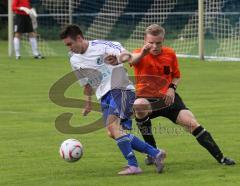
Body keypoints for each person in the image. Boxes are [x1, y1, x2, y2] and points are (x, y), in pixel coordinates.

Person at [59, 24, 167, 175]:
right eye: (67, 46)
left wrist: (139, 54)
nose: (69, 48)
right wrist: (88, 104)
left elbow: (126, 56)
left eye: (70, 44)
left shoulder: (103, 46)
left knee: (113, 127)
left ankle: (133, 165)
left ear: (79, 38)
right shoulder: (75, 60)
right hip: (104, 96)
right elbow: (86, 84)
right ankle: (156, 153)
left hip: (121, 89)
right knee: (113, 132)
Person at [127, 24, 235, 166]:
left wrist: (172, 88)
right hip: (146, 99)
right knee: (139, 105)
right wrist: (143, 53)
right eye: (151, 43)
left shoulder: (170, 53)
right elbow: (131, 60)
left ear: (163, 41)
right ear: (144, 41)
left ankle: (221, 158)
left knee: (192, 123)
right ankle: (152, 153)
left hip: (168, 98)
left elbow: (176, 75)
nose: (154, 46)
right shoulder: (138, 54)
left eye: (158, 43)